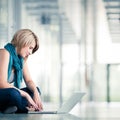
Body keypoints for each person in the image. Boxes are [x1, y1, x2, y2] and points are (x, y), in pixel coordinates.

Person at [0, 29, 43, 113]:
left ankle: (11, 106)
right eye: (30, 48)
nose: (30, 52)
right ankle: (19, 107)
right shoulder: (4, 53)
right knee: (14, 94)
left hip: (4, 94)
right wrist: (26, 95)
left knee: (35, 90)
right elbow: (1, 83)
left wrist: (35, 93)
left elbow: (29, 80)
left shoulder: (21, 60)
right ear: (23, 42)